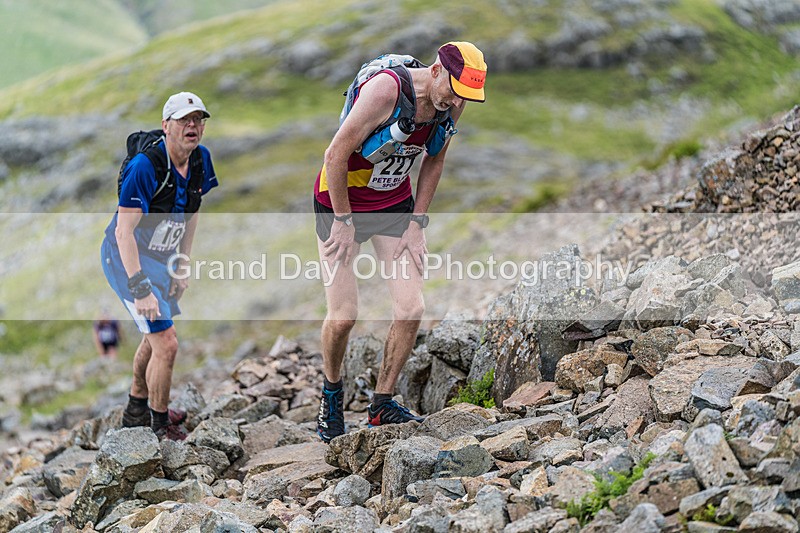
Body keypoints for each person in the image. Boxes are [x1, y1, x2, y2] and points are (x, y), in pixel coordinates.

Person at [313, 42, 487, 442]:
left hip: (393, 204)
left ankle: (381, 404)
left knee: (411, 308)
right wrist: (342, 221)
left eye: (466, 96)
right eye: (455, 90)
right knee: (343, 316)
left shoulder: (453, 102)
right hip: (340, 202)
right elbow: (334, 155)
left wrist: (417, 221)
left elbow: (435, 159)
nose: (457, 102)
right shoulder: (387, 90)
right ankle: (331, 394)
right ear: (439, 70)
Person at [100, 91, 218, 440]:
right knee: (166, 342)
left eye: (198, 119)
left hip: (162, 260)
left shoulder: (200, 159)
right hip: (126, 259)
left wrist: (182, 264)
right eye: (184, 120)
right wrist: (140, 288)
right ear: (167, 126)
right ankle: (160, 423)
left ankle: (136, 409)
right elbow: (123, 232)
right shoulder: (145, 167)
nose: (193, 126)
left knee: (154, 339)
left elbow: (192, 211)